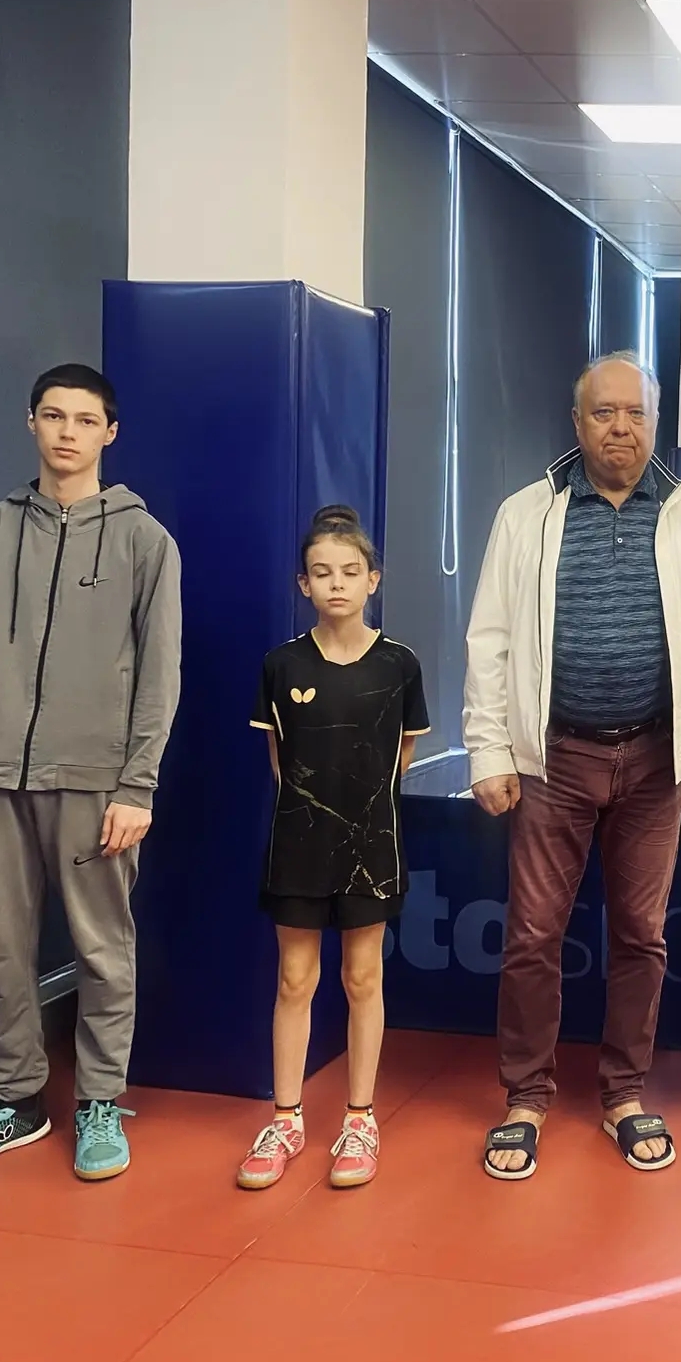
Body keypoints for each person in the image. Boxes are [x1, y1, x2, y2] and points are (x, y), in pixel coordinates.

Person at [464, 351, 681, 1181]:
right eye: (604, 412)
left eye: (636, 412)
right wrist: (489, 748)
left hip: (656, 759)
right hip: (553, 759)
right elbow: (489, 638)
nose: (622, 427)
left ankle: (623, 1092)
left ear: (655, 421)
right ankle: (526, 1096)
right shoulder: (527, 513)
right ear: (576, 422)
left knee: (642, 936)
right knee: (532, 936)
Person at [0, 364, 182, 1181]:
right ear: (31, 423)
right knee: (0, 949)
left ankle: (100, 1100)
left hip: (96, 781)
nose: (68, 432)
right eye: (54, 416)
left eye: (85, 419)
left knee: (103, 948)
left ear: (110, 433)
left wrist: (137, 784)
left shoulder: (144, 541)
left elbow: (160, 674)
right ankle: (14, 1101)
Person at [235, 507, 429, 1191]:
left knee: (362, 978)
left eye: (350, 572)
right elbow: (279, 761)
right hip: (298, 845)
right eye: (322, 573)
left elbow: (401, 758)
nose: (337, 584)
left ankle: (360, 1119)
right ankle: (286, 1119)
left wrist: (360, 814)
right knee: (294, 980)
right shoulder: (281, 664)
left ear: (373, 579)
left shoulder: (400, 665)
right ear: (304, 584)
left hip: (373, 846)